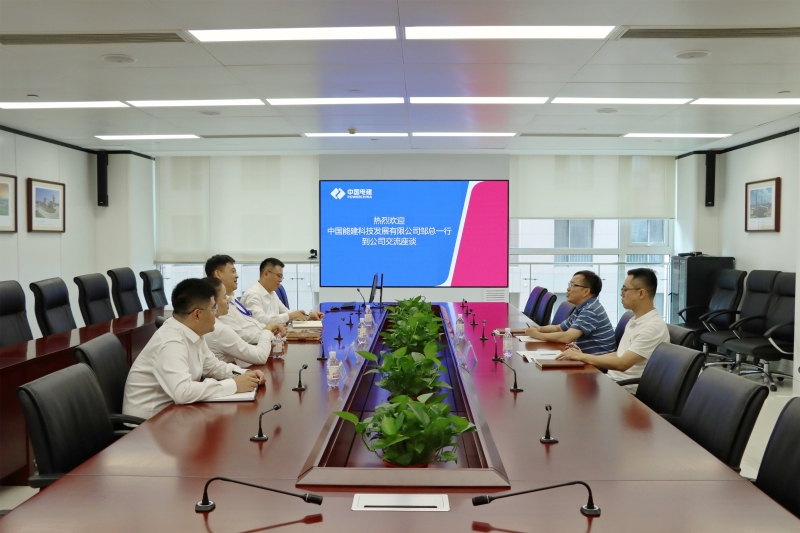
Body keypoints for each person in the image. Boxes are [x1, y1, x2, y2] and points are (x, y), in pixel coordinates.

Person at [122, 278, 265, 420]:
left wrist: (246, 374)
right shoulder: (171, 342)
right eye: (213, 308)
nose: (216, 313)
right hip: (147, 424)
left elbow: (212, 366)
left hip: (174, 413)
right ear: (197, 314)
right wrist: (234, 385)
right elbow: (183, 392)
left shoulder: (193, 332)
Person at [556, 268, 669, 392]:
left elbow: (623, 363)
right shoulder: (635, 320)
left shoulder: (652, 327)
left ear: (641, 293)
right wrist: (582, 355)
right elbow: (618, 354)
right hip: (611, 381)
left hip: (626, 390)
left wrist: (582, 357)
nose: (621, 294)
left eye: (625, 289)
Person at [524, 270, 615, 355]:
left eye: (573, 285)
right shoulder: (583, 307)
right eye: (569, 284)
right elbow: (559, 328)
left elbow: (567, 337)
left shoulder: (591, 310)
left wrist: (537, 335)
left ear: (586, 291)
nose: (568, 289)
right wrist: (539, 329)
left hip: (596, 363)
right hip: (582, 356)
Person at [204, 254, 286, 343]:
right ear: (218, 274)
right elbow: (238, 336)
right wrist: (269, 335)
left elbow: (251, 323)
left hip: (263, 339)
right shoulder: (220, 305)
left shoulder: (232, 298)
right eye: (233, 271)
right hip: (255, 344)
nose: (237, 276)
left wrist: (271, 330)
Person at [203, 277, 272, 366]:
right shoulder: (219, 329)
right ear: (213, 302)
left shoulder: (212, 324)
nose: (228, 300)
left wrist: (264, 342)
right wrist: (268, 330)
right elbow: (260, 357)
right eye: (224, 297)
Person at [240, 257, 323, 325]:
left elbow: (286, 312)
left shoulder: (272, 293)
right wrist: (289, 316)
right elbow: (260, 320)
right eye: (278, 276)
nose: (280, 280)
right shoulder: (252, 294)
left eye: (281, 277)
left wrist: (310, 315)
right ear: (266, 274)